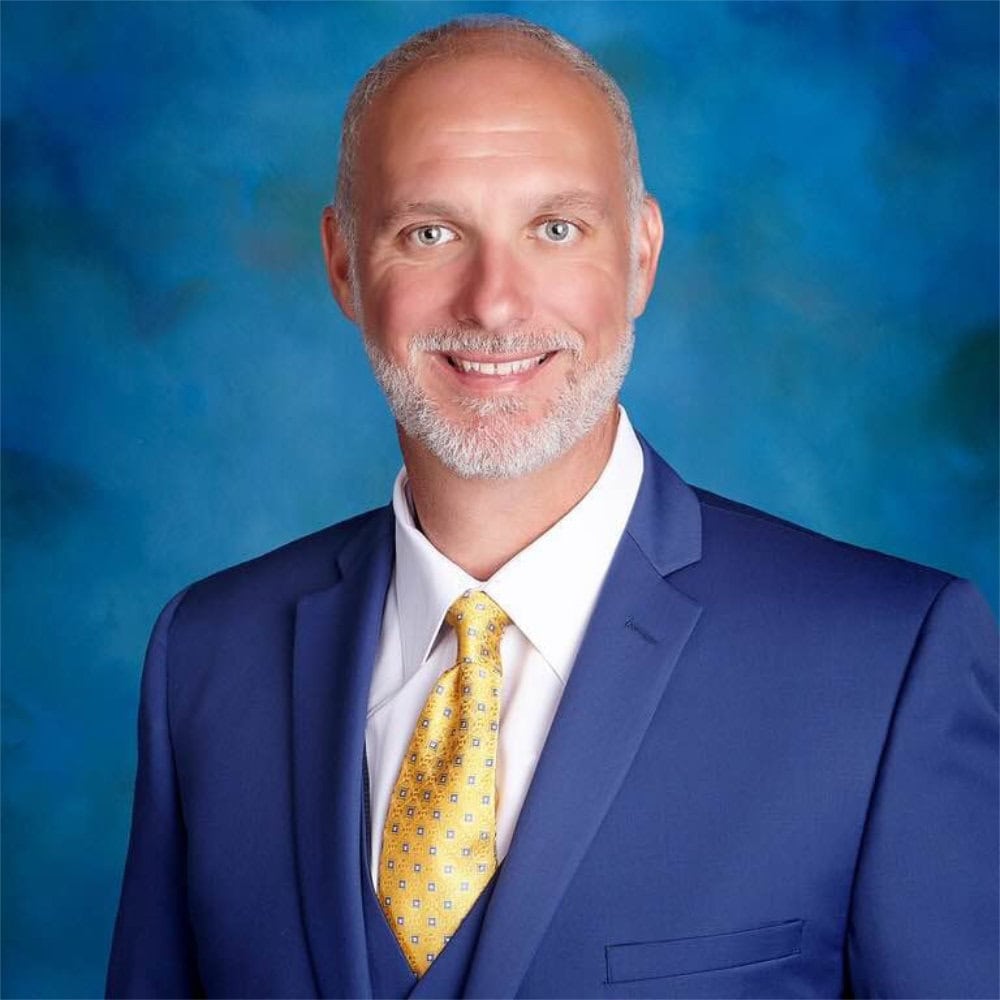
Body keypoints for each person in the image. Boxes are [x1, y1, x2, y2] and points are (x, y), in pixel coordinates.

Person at [107, 15, 998, 999]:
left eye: (556, 228)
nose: (493, 303)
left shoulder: (885, 663)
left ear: (642, 255)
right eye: (430, 233)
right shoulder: (208, 654)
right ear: (344, 264)